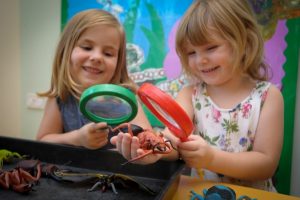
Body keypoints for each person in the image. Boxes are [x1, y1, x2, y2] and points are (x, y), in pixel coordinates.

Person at [111, 0, 284, 191]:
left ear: (245, 41)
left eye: (211, 48)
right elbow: (172, 140)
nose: (200, 60)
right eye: (191, 52)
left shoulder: (268, 96)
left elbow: (266, 165)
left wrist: (212, 158)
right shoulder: (190, 94)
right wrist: (154, 151)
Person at [36, 9, 151, 150]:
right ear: (66, 51)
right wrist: (77, 138)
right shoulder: (61, 96)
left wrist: (130, 146)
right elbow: (42, 140)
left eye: (108, 53)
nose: (96, 57)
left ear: (118, 63)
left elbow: (147, 139)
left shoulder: (125, 99)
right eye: (87, 47)